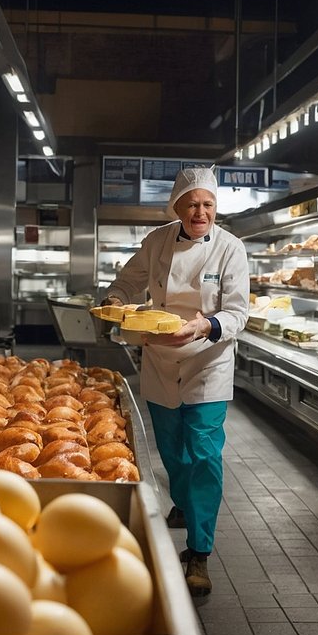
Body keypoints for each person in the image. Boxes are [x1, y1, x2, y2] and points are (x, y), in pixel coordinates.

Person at [102, 166, 249, 596]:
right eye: (191, 205)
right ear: (177, 207)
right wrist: (116, 300)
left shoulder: (230, 248)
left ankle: (199, 551)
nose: (200, 212)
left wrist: (203, 327)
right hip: (160, 360)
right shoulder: (157, 241)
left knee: (203, 453)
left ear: (215, 208)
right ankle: (184, 503)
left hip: (209, 362)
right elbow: (129, 280)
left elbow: (238, 312)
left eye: (207, 205)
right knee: (170, 450)